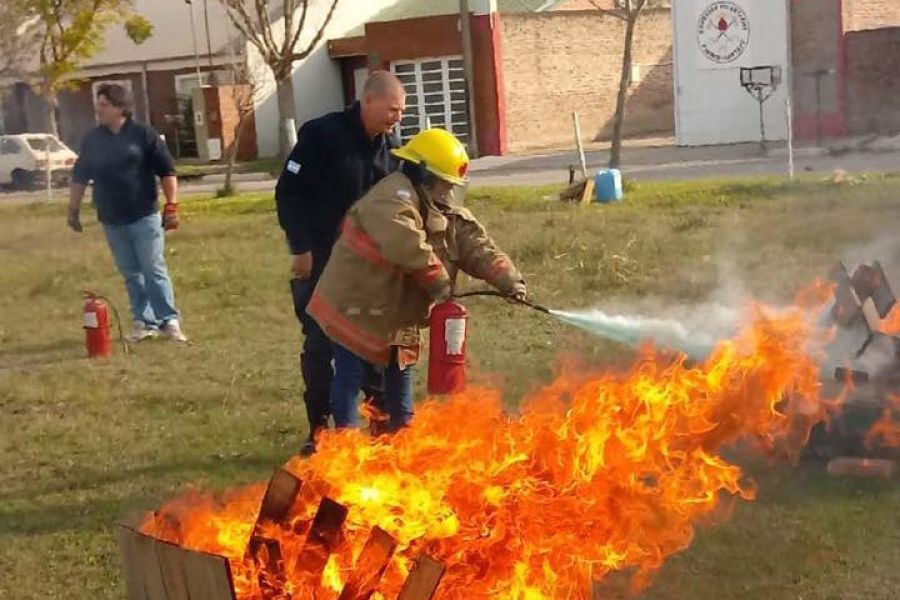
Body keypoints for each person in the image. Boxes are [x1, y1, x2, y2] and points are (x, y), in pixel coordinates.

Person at [307, 128, 527, 433]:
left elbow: (476, 247)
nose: (448, 194)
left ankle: (403, 432)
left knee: (401, 367)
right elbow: (406, 244)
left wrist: (509, 280)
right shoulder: (391, 198)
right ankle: (344, 441)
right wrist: (439, 282)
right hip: (354, 303)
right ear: (423, 175)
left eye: (453, 187)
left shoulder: (439, 208)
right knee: (350, 372)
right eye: (443, 185)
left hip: (398, 308)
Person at [275, 71, 407, 453]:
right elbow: (288, 193)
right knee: (320, 348)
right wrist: (300, 247)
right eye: (392, 109)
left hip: (368, 272)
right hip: (319, 263)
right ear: (368, 100)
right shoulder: (322, 135)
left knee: (371, 348)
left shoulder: (391, 150)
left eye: (401, 112)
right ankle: (318, 430)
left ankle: (378, 428)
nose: (396, 118)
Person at [67, 83, 186, 343]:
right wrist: (73, 210)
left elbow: (167, 171)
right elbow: (80, 176)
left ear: (120, 108)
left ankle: (169, 321)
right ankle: (143, 322)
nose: (98, 110)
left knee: (152, 267)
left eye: (104, 105)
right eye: (98, 104)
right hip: (111, 218)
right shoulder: (93, 140)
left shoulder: (143, 135)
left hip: (144, 215)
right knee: (131, 272)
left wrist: (172, 205)